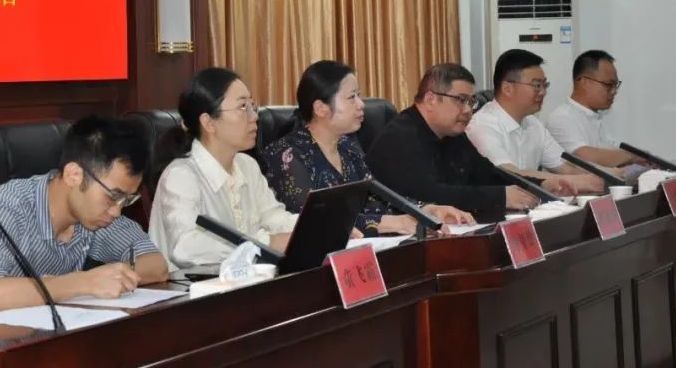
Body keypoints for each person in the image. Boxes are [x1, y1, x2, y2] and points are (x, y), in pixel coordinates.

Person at [0, 116, 168, 327]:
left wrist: (116, 276)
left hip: (26, 344)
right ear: (74, 174)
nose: (117, 211)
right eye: (113, 196)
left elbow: (156, 265)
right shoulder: (6, 205)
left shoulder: (94, 215)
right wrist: (84, 282)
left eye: (127, 199)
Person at [262, 60, 474, 234]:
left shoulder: (347, 146)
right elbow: (313, 221)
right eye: (351, 97)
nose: (361, 104)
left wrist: (427, 210)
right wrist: (397, 223)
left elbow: (378, 198)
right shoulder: (286, 155)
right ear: (321, 108)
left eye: (359, 95)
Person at [367, 63, 577, 215]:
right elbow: (428, 194)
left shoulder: (453, 134)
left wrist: (540, 185)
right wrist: (500, 197)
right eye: (461, 100)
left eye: (471, 101)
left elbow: (488, 174)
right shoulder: (400, 137)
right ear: (430, 99)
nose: (468, 110)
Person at [149, 67, 298, 269]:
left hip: (244, 281)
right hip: (190, 286)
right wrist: (266, 243)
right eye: (242, 107)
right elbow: (185, 248)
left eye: (252, 106)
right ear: (209, 122)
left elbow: (274, 217)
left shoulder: (247, 165)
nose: (254, 116)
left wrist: (316, 226)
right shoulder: (181, 176)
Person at [466, 49, 605, 193]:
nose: (543, 92)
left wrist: (608, 175)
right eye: (537, 85)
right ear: (508, 88)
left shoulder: (533, 124)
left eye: (545, 85)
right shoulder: (481, 126)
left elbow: (568, 167)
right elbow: (511, 174)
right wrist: (579, 182)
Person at [546, 50, 644, 169]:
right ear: (585, 82)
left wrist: (638, 159)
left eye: (615, 85)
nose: (614, 91)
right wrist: (631, 156)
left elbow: (613, 150)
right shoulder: (561, 118)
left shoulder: (594, 117)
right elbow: (584, 157)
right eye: (609, 84)